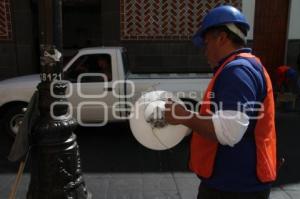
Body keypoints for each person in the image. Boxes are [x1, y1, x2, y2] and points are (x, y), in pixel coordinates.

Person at [164, 5, 276, 199]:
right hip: (237, 183)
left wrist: (184, 116)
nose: (204, 51)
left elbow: (228, 132)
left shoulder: (236, 72)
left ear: (222, 38)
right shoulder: (243, 66)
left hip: (234, 188)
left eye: (206, 43)